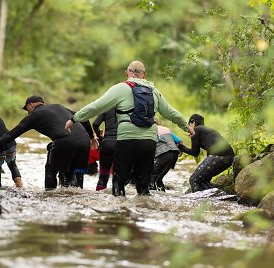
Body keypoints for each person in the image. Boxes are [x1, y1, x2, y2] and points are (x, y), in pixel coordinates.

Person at [65, 60, 190, 196]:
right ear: (144, 75)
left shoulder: (120, 88)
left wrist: (74, 119)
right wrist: (187, 127)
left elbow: (95, 106)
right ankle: (142, 211)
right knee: (143, 187)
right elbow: (171, 113)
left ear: (127, 73)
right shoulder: (154, 91)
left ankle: (121, 214)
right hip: (149, 141)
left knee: (118, 183)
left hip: (127, 140)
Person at [0, 96, 98, 190]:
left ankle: (50, 196)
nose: (27, 112)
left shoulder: (34, 115)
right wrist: (92, 137)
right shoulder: (58, 106)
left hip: (64, 141)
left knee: (50, 169)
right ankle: (76, 195)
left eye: (27, 109)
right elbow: (83, 117)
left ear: (32, 105)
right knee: (75, 172)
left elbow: (11, 134)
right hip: (84, 141)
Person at [178, 114, 235, 193]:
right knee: (203, 181)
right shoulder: (207, 131)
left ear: (193, 122)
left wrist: (180, 147)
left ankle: (198, 202)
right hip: (229, 157)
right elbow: (209, 156)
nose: (188, 127)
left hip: (219, 155)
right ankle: (221, 195)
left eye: (189, 124)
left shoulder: (196, 130)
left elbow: (195, 152)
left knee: (193, 179)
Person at [150, 118, 182, 192]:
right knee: (158, 179)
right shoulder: (166, 129)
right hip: (174, 155)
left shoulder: (150, 130)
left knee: (150, 176)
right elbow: (178, 140)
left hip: (164, 155)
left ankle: (151, 198)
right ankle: (162, 194)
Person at [92, 108, 118, 191]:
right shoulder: (129, 107)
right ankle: (118, 200)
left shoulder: (107, 108)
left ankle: (98, 200)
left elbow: (95, 124)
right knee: (118, 177)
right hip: (122, 144)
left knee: (102, 178)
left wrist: (99, 134)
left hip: (107, 143)